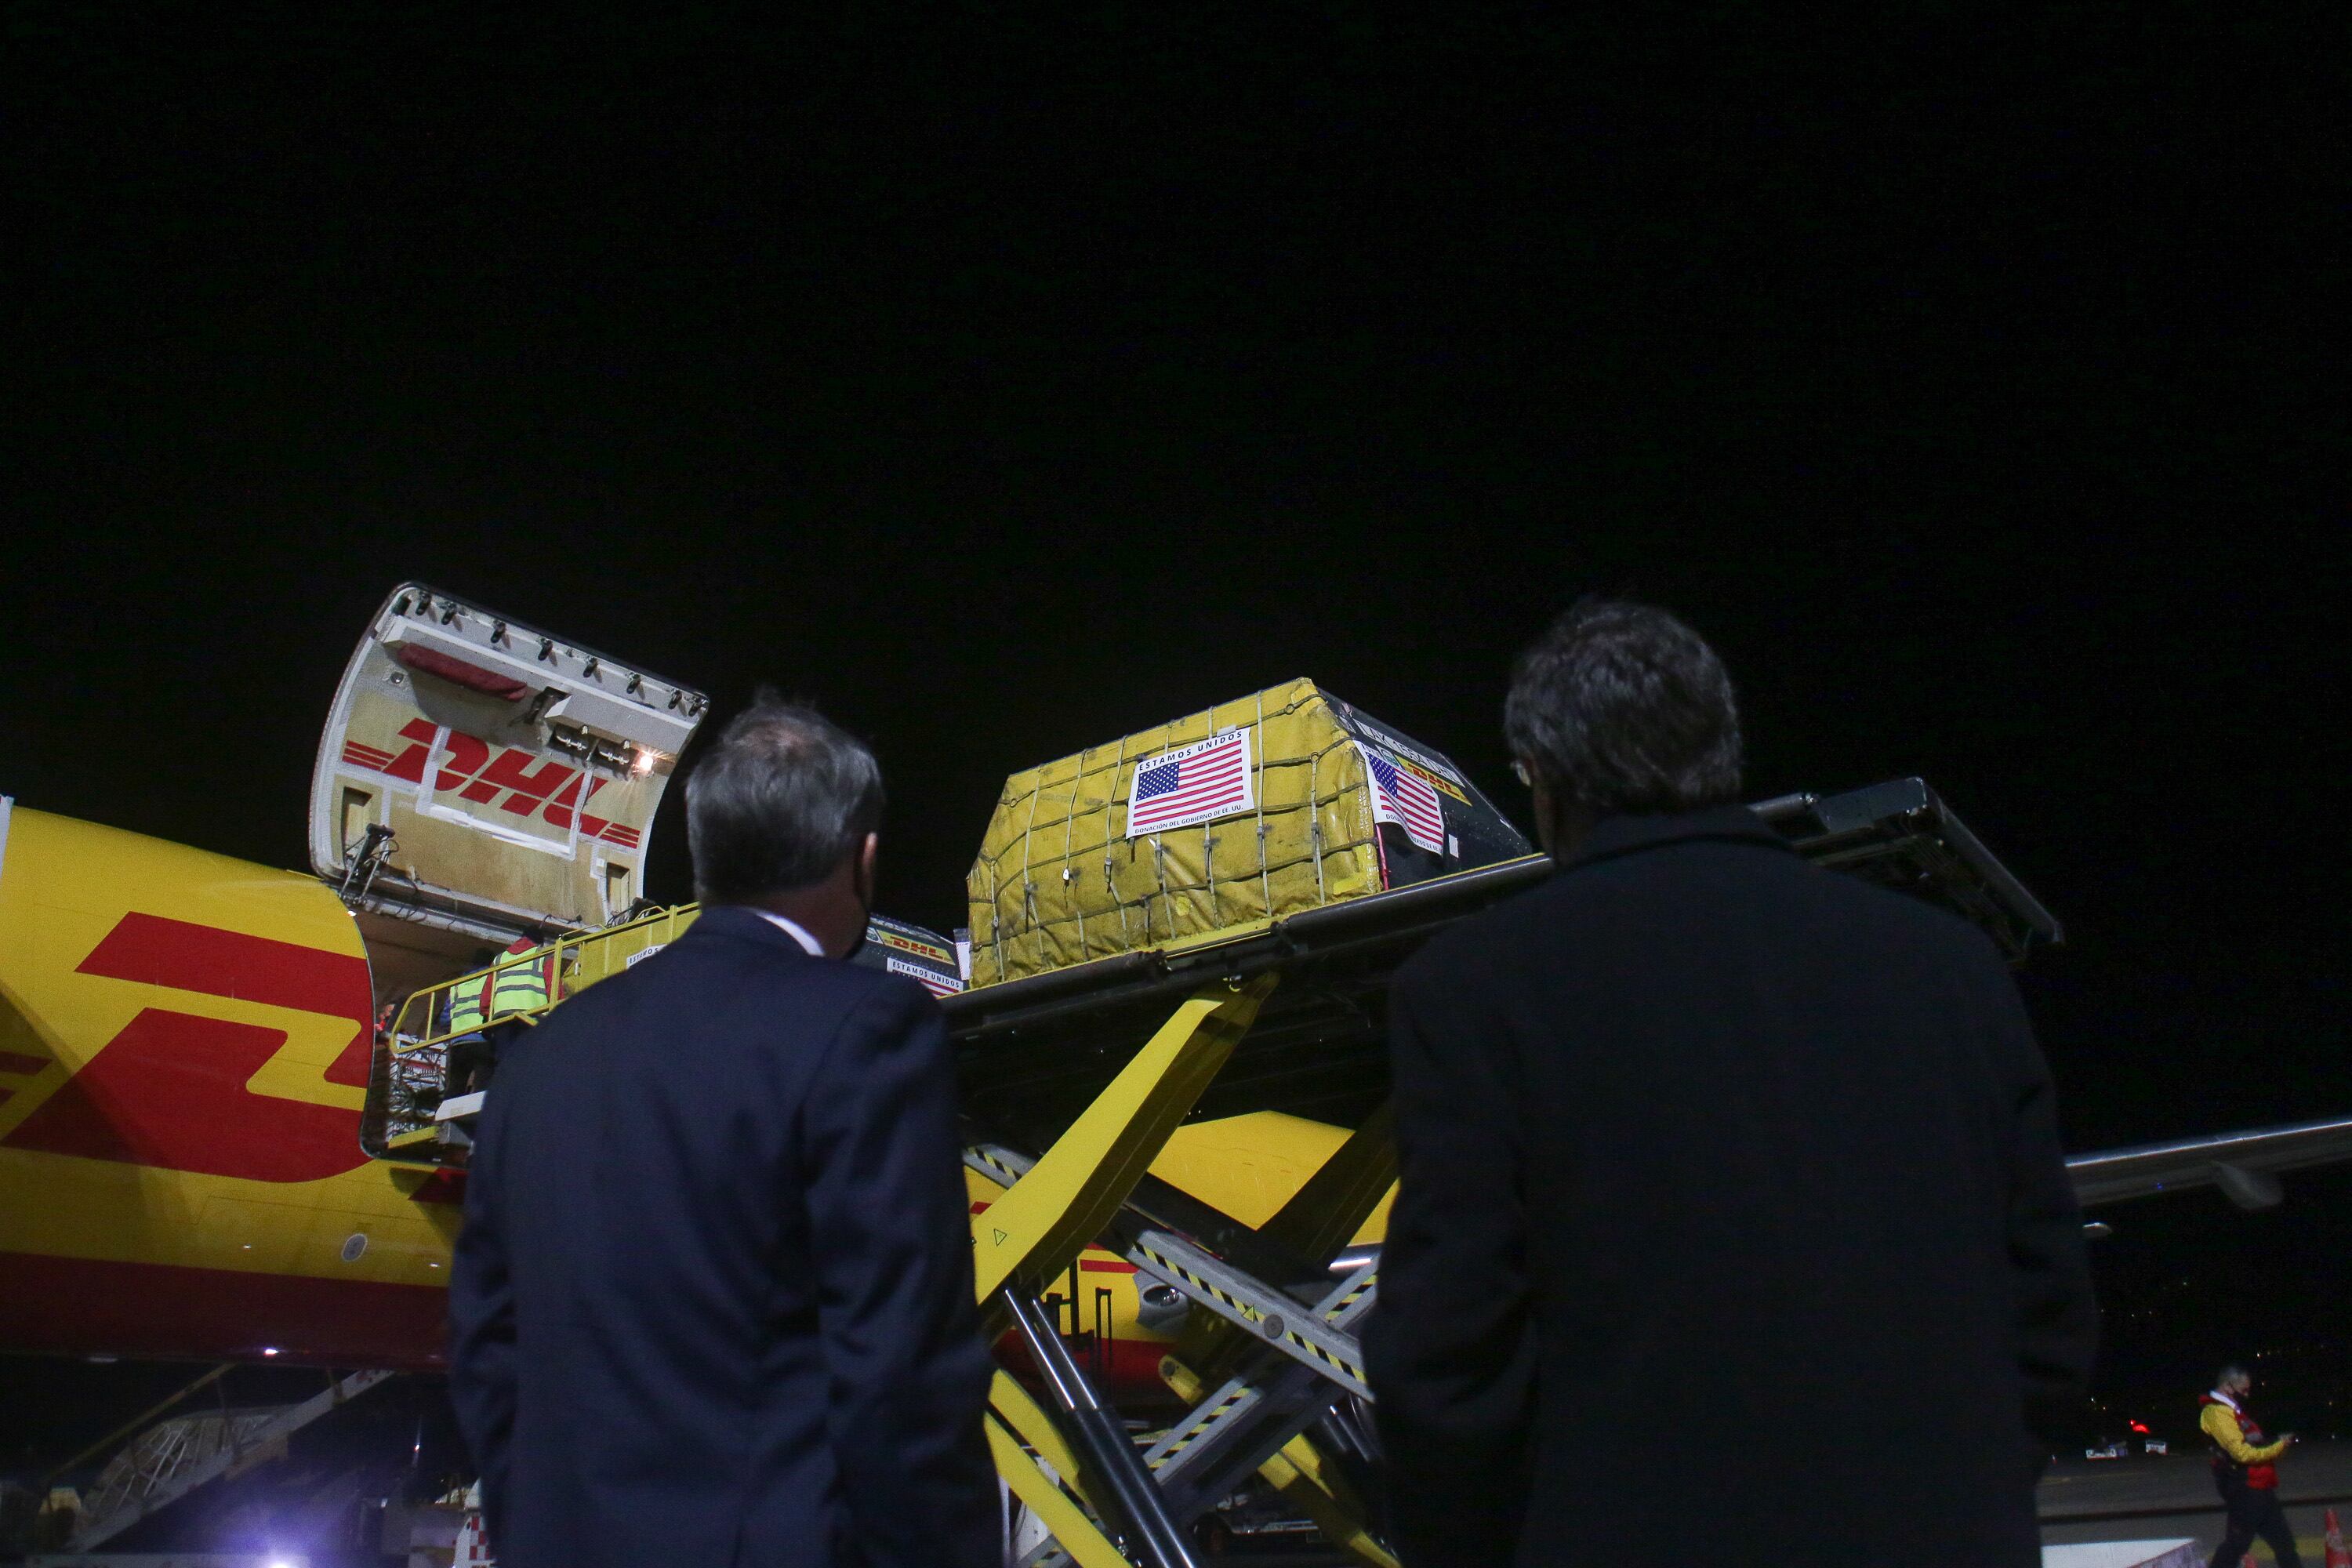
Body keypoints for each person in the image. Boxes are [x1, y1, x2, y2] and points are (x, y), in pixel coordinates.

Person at [1363, 597, 2099, 1567]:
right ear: (1721, 749)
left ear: (1542, 775)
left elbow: (1448, 1350)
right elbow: (2049, 1304)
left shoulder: (1470, 988)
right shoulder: (1949, 966)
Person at [448, 695, 999, 1568]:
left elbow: (487, 1349)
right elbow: (901, 1378)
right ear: (861, 858)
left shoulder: (543, 1056)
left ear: (706, 853)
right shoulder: (866, 1027)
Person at [2201, 1364, 2299, 1568]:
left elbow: (2253, 1445)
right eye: (2244, 1390)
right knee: (2237, 1545)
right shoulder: (2217, 1413)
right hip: (2244, 1488)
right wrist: (2278, 1447)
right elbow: (2241, 1453)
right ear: (2228, 1386)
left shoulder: (2233, 1411)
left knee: (2285, 1544)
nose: (2247, 1395)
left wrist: (2278, 1445)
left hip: (2260, 1486)